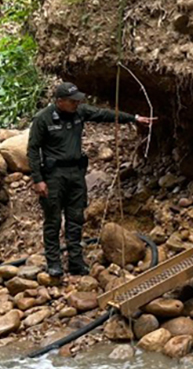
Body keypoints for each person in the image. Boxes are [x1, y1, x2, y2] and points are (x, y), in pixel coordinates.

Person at [27, 82, 156, 278]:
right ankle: (53, 263)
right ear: (60, 101)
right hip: (53, 175)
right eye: (72, 101)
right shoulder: (43, 118)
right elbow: (32, 150)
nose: (76, 104)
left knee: (76, 218)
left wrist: (133, 118)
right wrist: (38, 179)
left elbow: (105, 114)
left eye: (77, 100)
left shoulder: (80, 112)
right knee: (53, 220)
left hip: (76, 173)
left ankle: (76, 262)